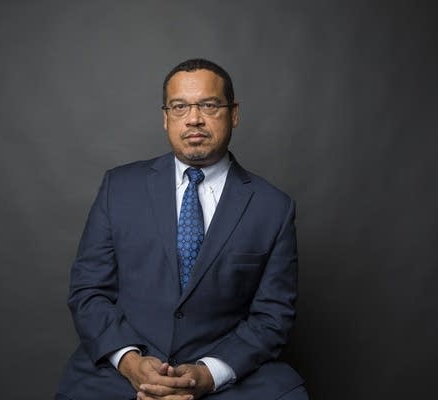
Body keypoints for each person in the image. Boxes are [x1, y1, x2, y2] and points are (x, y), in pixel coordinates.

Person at [56, 58, 308, 400]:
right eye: (179, 106)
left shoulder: (273, 207)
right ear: (165, 117)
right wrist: (131, 364)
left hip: (226, 374)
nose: (194, 118)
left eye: (209, 104)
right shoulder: (119, 187)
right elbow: (88, 291)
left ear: (234, 113)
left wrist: (208, 375)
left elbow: (272, 317)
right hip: (122, 371)